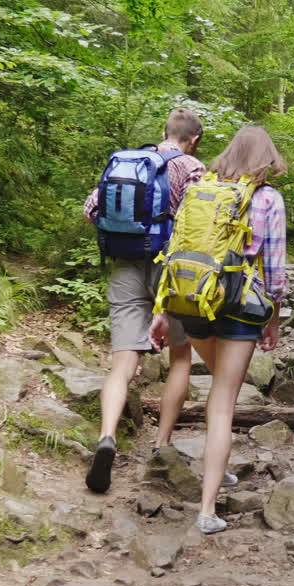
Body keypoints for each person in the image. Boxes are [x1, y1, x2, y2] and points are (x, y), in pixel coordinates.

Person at [153, 126, 288, 535]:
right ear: (267, 159)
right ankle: (207, 508)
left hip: (192, 302)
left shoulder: (200, 188)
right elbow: (275, 270)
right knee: (223, 404)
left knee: (217, 390)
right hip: (241, 307)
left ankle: (216, 469)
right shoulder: (267, 199)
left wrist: (162, 310)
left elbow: (176, 248)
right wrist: (274, 317)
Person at [82, 108, 209, 493]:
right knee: (181, 358)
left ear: (164, 132)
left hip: (124, 266)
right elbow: (198, 224)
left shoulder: (127, 161)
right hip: (171, 270)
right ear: (194, 139)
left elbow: (90, 211)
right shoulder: (192, 167)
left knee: (122, 362)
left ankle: (107, 437)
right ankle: (162, 444)